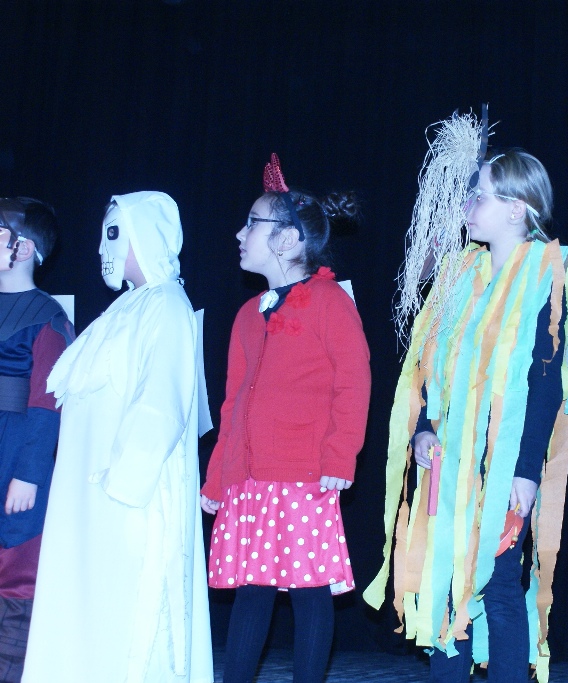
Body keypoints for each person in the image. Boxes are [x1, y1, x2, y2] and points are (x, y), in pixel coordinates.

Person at [364, 111, 568, 683]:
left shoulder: (552, 272)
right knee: (444, 581)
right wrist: (424, 427)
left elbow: (547, 380)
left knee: (499, 583)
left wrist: (526, 470)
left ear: (517, 208)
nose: (467, 206)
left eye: (479, 197)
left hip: (505, 463)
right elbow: (431, 364)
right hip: (450, 460)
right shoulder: (459, 273)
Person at [23, 191, 213, 682]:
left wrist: (122, 484)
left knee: (127, 613)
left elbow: (162, 403)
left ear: (144, 235)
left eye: (114, 233)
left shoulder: (166, 305)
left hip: (126, 498)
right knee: (86, 609)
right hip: (87, 496)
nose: (101, 248)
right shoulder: (126, 309)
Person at [201, 153, 371, 683]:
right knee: (252, 589)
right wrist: (219, 475)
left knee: (308, 590)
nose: (240, 233)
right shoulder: (247, 315)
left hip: (304, 475)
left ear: (290, 240)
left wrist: (339, 457)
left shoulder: (329, 301)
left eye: (252, 223)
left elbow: (353, 383)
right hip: (251, 478)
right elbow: (233, 404)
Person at [0, 198, 73, 682]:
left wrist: (28, 474)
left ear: (22, 248)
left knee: (15, 573)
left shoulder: (47, 317)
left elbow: (48, 404)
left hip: (15, 457)